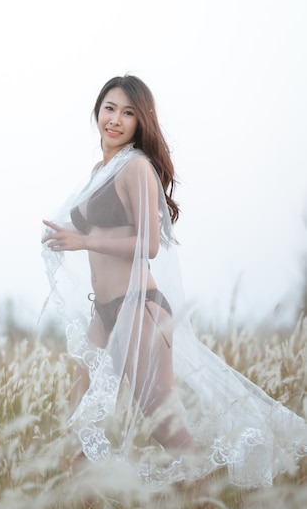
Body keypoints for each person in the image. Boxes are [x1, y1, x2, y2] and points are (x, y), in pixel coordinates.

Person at [42, 75, 307, 487]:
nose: (115, 119)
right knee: (82, 417)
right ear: (97, 111)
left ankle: (212, 492)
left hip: (138, 307)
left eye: (128, 113)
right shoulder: (101, 170)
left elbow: (148, 245)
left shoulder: (136, 167)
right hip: (104, 311)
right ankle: (81, 504)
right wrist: (60, 240)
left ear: (140, 122)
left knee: (162, 424)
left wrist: (81, 240)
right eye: (109, 108)